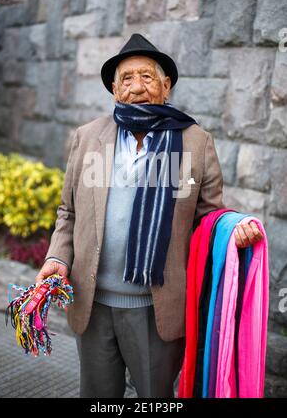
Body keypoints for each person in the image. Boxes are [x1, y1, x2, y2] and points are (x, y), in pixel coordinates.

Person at [36, 33, 263, 398]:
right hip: (93, 306)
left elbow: (210, 215)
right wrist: (57, 257)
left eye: (147, 76)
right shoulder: (87, 137)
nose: (137, 87)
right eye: (126, 78)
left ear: (166, 86)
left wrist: (235, 226)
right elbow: (69, 211)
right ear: (114, 89)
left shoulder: (195, 141)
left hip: (155, 311)